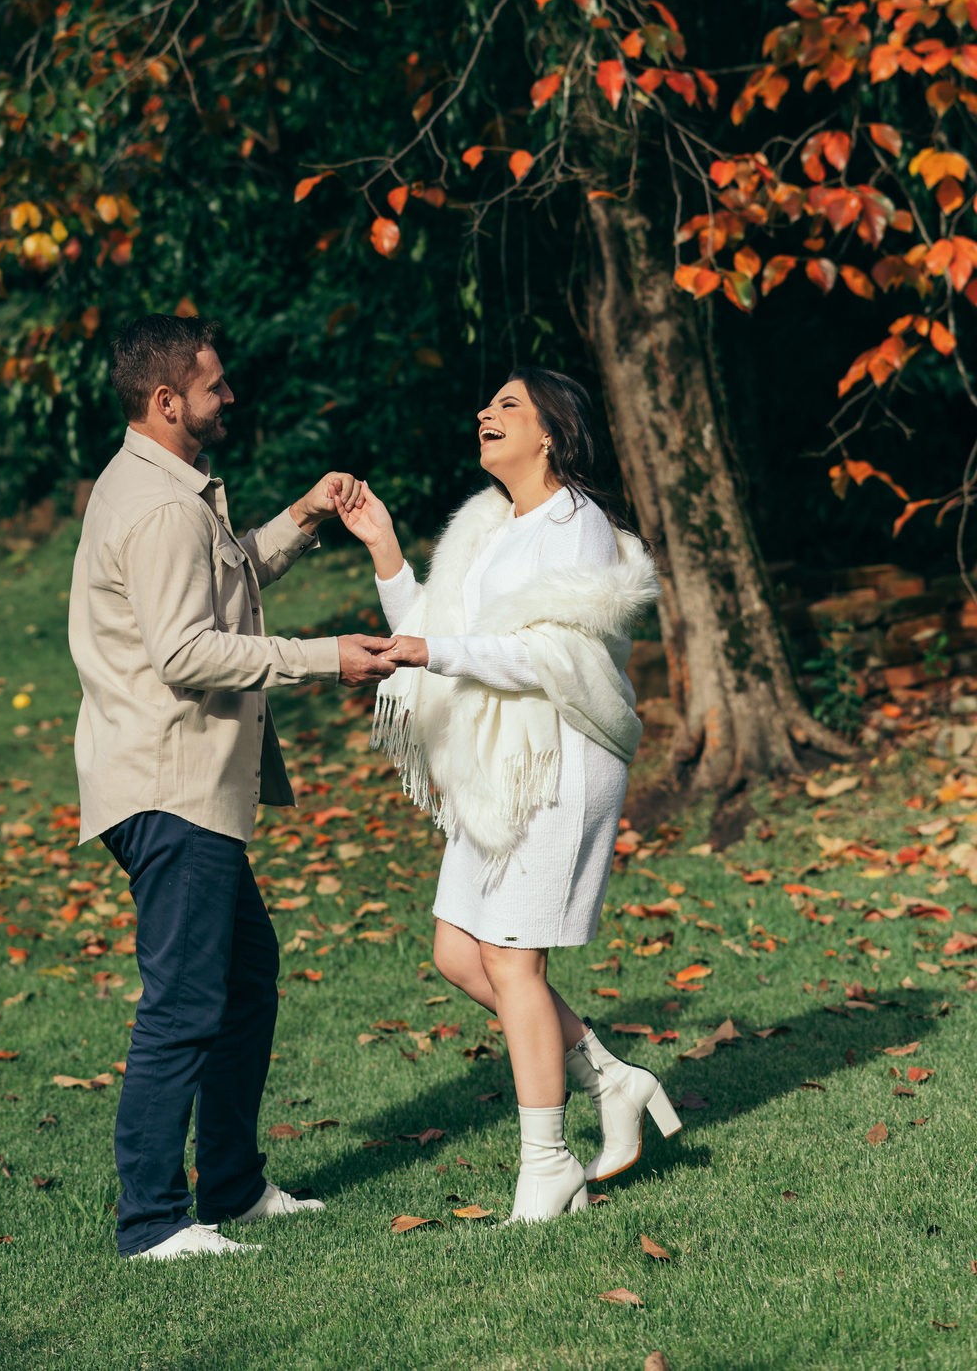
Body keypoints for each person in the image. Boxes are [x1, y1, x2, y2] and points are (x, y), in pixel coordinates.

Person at [69, 314, 396, 1262]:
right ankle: (152, 1222)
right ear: (167, 400)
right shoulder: (163, 506)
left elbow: (222, 583)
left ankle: (234, 1187)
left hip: (176, 779)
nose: (230, 396)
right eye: (215, 385)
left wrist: (302, 517)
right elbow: (185, 651)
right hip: (169, 783)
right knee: (184, 1001)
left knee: (245, 977)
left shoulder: (162, 486)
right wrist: (325, 657)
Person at [333, 366, 681, 1223]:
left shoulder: (577, 525)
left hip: (555, 756)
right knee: (460, 953)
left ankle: (547, 1166)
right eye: (488, 404)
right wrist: (384, 547)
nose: (487, 413)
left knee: (514, 961)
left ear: (551, 433)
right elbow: (434, 630)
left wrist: (435, 653)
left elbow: (547, 657)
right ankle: (612, 1080)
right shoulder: (491, 528)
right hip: (497, 763)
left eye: (509, 406)